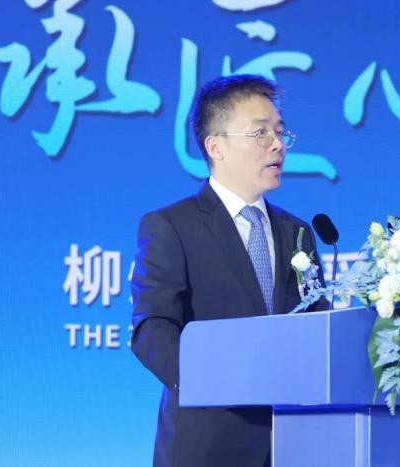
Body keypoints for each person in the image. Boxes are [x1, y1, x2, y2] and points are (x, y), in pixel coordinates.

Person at [131, 74, 327, 467]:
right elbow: (152, 328)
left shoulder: (298, 231)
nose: (277, 145)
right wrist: (215, 384)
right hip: (209, 444)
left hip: (294, 444)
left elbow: (316, 326)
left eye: (280, 132)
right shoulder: (172, 226)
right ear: (215, 146)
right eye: (260, 133)